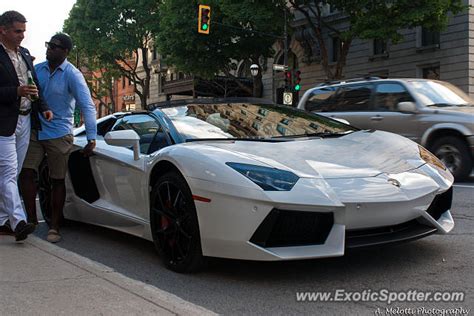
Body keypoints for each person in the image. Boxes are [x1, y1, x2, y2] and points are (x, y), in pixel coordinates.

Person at [20, 33, 97, 243]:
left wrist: (92, 137)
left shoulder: (72, 74)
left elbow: (87, 105)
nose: (49, 49)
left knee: (57, 180)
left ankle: (54, 226)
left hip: (59, 134)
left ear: (65, 51)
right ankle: (32, 220)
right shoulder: (38, 69)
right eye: (48, 45)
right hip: (36, 129)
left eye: (54, 46)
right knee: (26, 172)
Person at [0, 11, 52, 241]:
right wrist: (16, 92)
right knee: (9, 172)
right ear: (3, 30)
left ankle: (2, 220)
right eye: (17, 31)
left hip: (25, 119)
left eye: (24, 31)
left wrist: (43, 107)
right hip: (3, 121)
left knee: (12, 172)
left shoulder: (24, 53)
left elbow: (34, 84)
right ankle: (18, 221)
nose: (22, 35)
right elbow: (18, 89)